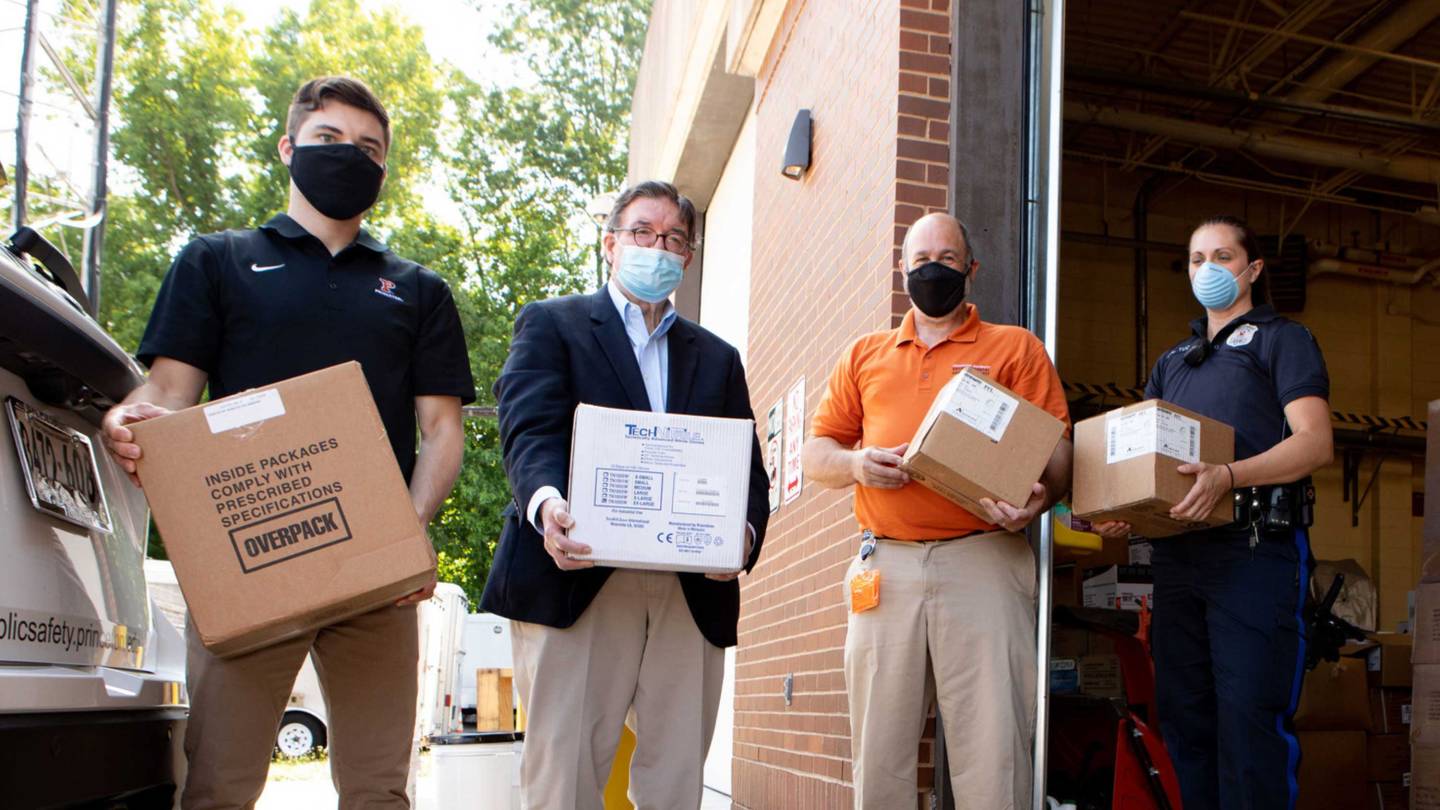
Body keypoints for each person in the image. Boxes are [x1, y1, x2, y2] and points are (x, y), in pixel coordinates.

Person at [100, 76, 475, 809]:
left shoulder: (417, 289)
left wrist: (406, 534)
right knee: (219, 783)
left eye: (369, 148)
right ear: (289, 147)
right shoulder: (218, 261)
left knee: (379, 790)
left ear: (384, 170)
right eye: (330, 140)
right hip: (249, 561)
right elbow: (168, 393)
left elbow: (441, 431)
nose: (349, 156)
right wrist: (127, 418)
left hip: (376, 577)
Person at [481, 180, 770, 810]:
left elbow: (747, 471)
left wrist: (740, 538)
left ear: (687, 258)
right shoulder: (553, 324)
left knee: (674, 783)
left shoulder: (718, 359)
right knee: (566, 778)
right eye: (642, 231)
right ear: (611, 242)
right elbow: (529, 428)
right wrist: (547, 504)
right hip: (578, 574)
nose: (657, 246)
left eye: (673, 237)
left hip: (689, 590)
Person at [803, 212, 1072, 809]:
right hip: (886, 567)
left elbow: (1057, 454)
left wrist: (1040, 500)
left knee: (994, 746)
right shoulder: (864, 356)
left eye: (947, 259)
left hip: (984, 559)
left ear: (971, 270)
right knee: (880, 751)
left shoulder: (1015, 349)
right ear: (903, 271)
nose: (932, 270)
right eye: (920, 259)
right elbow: (815, 452)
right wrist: (856, 465)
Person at [1093, 214, 1333, 810]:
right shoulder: (1174, 361)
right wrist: (1122, 509)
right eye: (1197, 259)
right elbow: (1139, 458)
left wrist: (1229, 476)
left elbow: (1315, 443)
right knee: (1185, 719)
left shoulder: (1282, 339)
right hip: (1179, 560)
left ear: (1251, 270)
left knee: (1248, 721)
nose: (1207, 270)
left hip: (1254, 552)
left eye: (1222, 257)